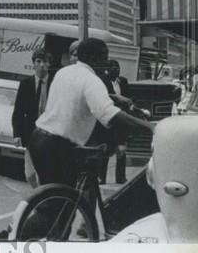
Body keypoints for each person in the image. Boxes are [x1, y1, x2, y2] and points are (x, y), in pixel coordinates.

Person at [28, 38, 155, 189]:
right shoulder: (92, 81)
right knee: (62, 204)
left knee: (50, 199)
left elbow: (76, 94)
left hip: (38, 140)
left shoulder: (64, 72)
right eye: (105, 57)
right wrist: (149, 127)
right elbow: (109, 114)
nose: (107, 62)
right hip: (58, 147)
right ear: (94, 58)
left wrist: (115, 97)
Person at [11, 49, 52, 188]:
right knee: (30, 174)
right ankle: (38, 194)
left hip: (50, 134)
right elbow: (18, 111)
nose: (41, 65)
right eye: (38, 62)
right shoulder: (26, 84)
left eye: (45, 62)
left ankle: (42, 201)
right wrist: (16, 134)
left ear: (49, 64)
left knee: (46, 172)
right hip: (31, 135)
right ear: (33, 64)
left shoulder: (55, 84)